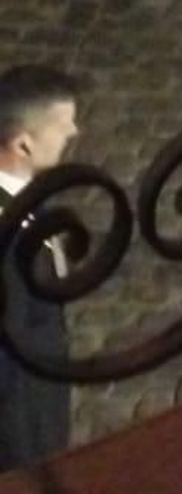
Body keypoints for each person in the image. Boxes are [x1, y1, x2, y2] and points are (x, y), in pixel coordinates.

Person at [0, 64, 79, 468]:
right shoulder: (7, 245)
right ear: (24, 145)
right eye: (63, 125)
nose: (74, 132)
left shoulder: (27, 194)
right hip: (24, 429)